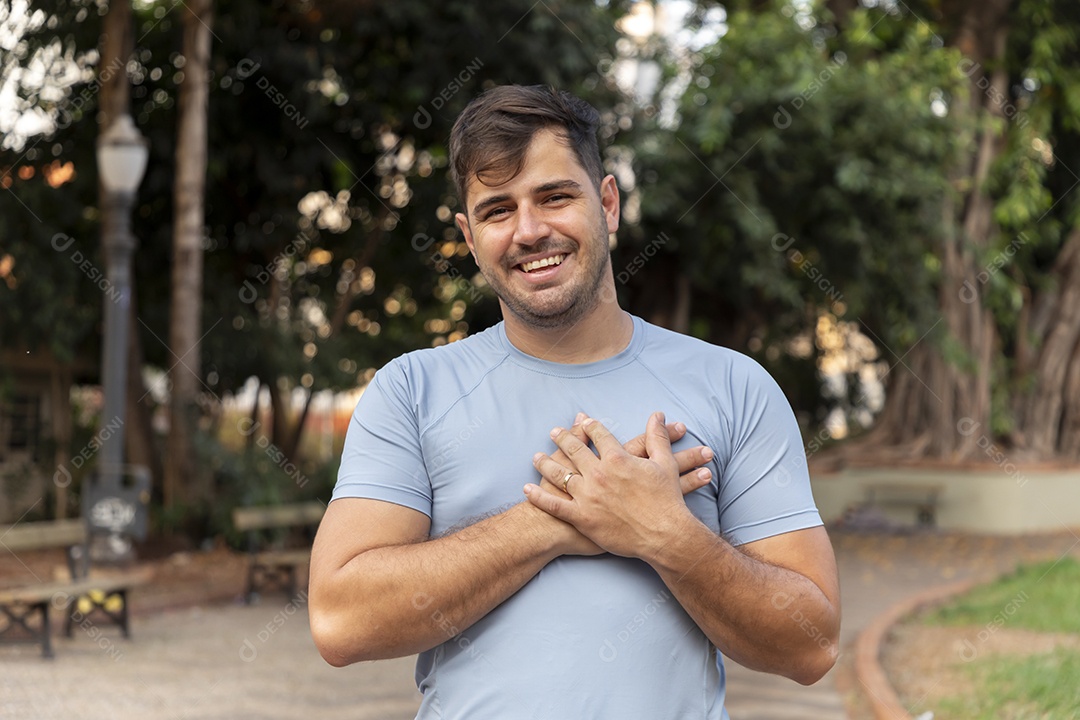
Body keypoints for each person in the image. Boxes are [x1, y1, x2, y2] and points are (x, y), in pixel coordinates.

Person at [309, 84, 840, 719]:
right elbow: (340, 623)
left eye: (554, 197)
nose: (529, 231)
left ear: (608, 204)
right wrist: (558, 518)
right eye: (497, 210)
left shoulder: (734, 385)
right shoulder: (411, 391)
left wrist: (667, 533)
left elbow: (812, 645)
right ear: (469, 237)